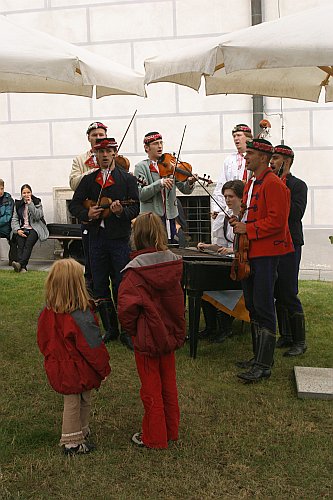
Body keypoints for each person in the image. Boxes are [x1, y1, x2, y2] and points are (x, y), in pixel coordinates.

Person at [117, 212, 185, 449]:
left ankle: (154, 437)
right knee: (168, 383)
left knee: (151, 389)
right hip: (168, 335)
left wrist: (133, 331)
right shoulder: (173, 263)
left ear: (137, 236)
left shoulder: (134, 271)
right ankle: (171, 430)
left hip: (146, 338)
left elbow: (126, 310)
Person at [230, 139, 294, 382]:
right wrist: (238, 222)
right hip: (250, 253)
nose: (246, 157)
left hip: (266, 253)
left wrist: (249, 229)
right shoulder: (251, 183)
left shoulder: (273, 184)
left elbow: (278, 222)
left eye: (251, 154)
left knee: (264, 306)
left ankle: (264, 365)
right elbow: (249, 214)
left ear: (264, 158)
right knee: (253, 305)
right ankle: (258, 356)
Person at [69, 137, 140, 349]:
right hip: (96, 239)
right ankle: (110, 328)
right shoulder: (88, 180)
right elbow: (74, 206)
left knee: (122, 284)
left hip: (119, 239)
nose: (105, 156)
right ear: (95, 155)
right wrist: (87, 213)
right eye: (101, 152)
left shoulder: (127, 179)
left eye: (109, 151)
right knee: (99, 284)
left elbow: (135, 208)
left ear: (115, 153)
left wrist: (120, 213)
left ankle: (127, 330)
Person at [37, 259, 111, 456]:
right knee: (73, 402)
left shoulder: (47, 312)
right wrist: (104, 368)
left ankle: (81, 431)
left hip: (59, 365)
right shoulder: (80, 315)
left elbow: (42, 339)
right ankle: (71, 442)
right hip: (75, 368)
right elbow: (93, 346)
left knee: (83, 398)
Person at [270, 144, 308, 356]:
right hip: (274, 243)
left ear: (287, 161)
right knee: (277, 291)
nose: (272, 162)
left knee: (289, 290)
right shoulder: (271, 183)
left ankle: (299, 340)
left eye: (276, 158)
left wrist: (281, 189)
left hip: (291, 242)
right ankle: (285, 335)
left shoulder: (298, 185)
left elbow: (296, 213)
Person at [197, 180, 244, 343]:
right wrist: (208, 246)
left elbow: (249, 247)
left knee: (219, 285)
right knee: (203, 284)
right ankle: (211, 327)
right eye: (225, 197)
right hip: (229, 264)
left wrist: (233, 250)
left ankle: (225, 328)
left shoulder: (247, 218)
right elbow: (222, 246)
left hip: (244, 268)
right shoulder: (225, 218)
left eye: (231, 196)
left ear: (241, 197)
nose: (228, 200)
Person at [134, 131, 196, 242]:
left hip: (170, 216)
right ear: (147, 148)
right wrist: (160, 183)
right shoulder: (141, 167)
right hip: (151, 217)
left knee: (170, 246)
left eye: (161, 143)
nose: (160, 146)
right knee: (153, 246)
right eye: (155, 143)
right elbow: (141, 195)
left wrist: (190, 182)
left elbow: (185, 190)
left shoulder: (169, 165)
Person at [69, 121, 108, 293]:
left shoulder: (112, 154)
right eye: (95, 135)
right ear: (88, 138)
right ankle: (92, 295)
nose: (98, 138)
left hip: (109, 214)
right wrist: (91, 171)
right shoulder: (79, 159)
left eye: (101, 135)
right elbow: (73, 183)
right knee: (91, 261)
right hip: (90, 211)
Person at [11, 184, 49, 272]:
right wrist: (18, 230)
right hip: (23, 228)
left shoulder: (37, 202)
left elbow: (38, 216)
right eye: (24, 193)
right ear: (21, 194)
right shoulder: (18, 204)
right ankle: (22, 267)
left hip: (35, 228)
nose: (26, 194)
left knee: (28, 244)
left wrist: (30, 204)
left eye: (28, 192)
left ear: (31, 193)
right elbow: (14, 219)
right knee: (20, 244)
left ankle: (20, 265)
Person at [0, 179, 17, 265]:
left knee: (14, 237)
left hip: (7, 228)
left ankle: (13, 260)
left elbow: (7, 217)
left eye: (2, 188)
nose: (0, 191)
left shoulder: (9, 200)